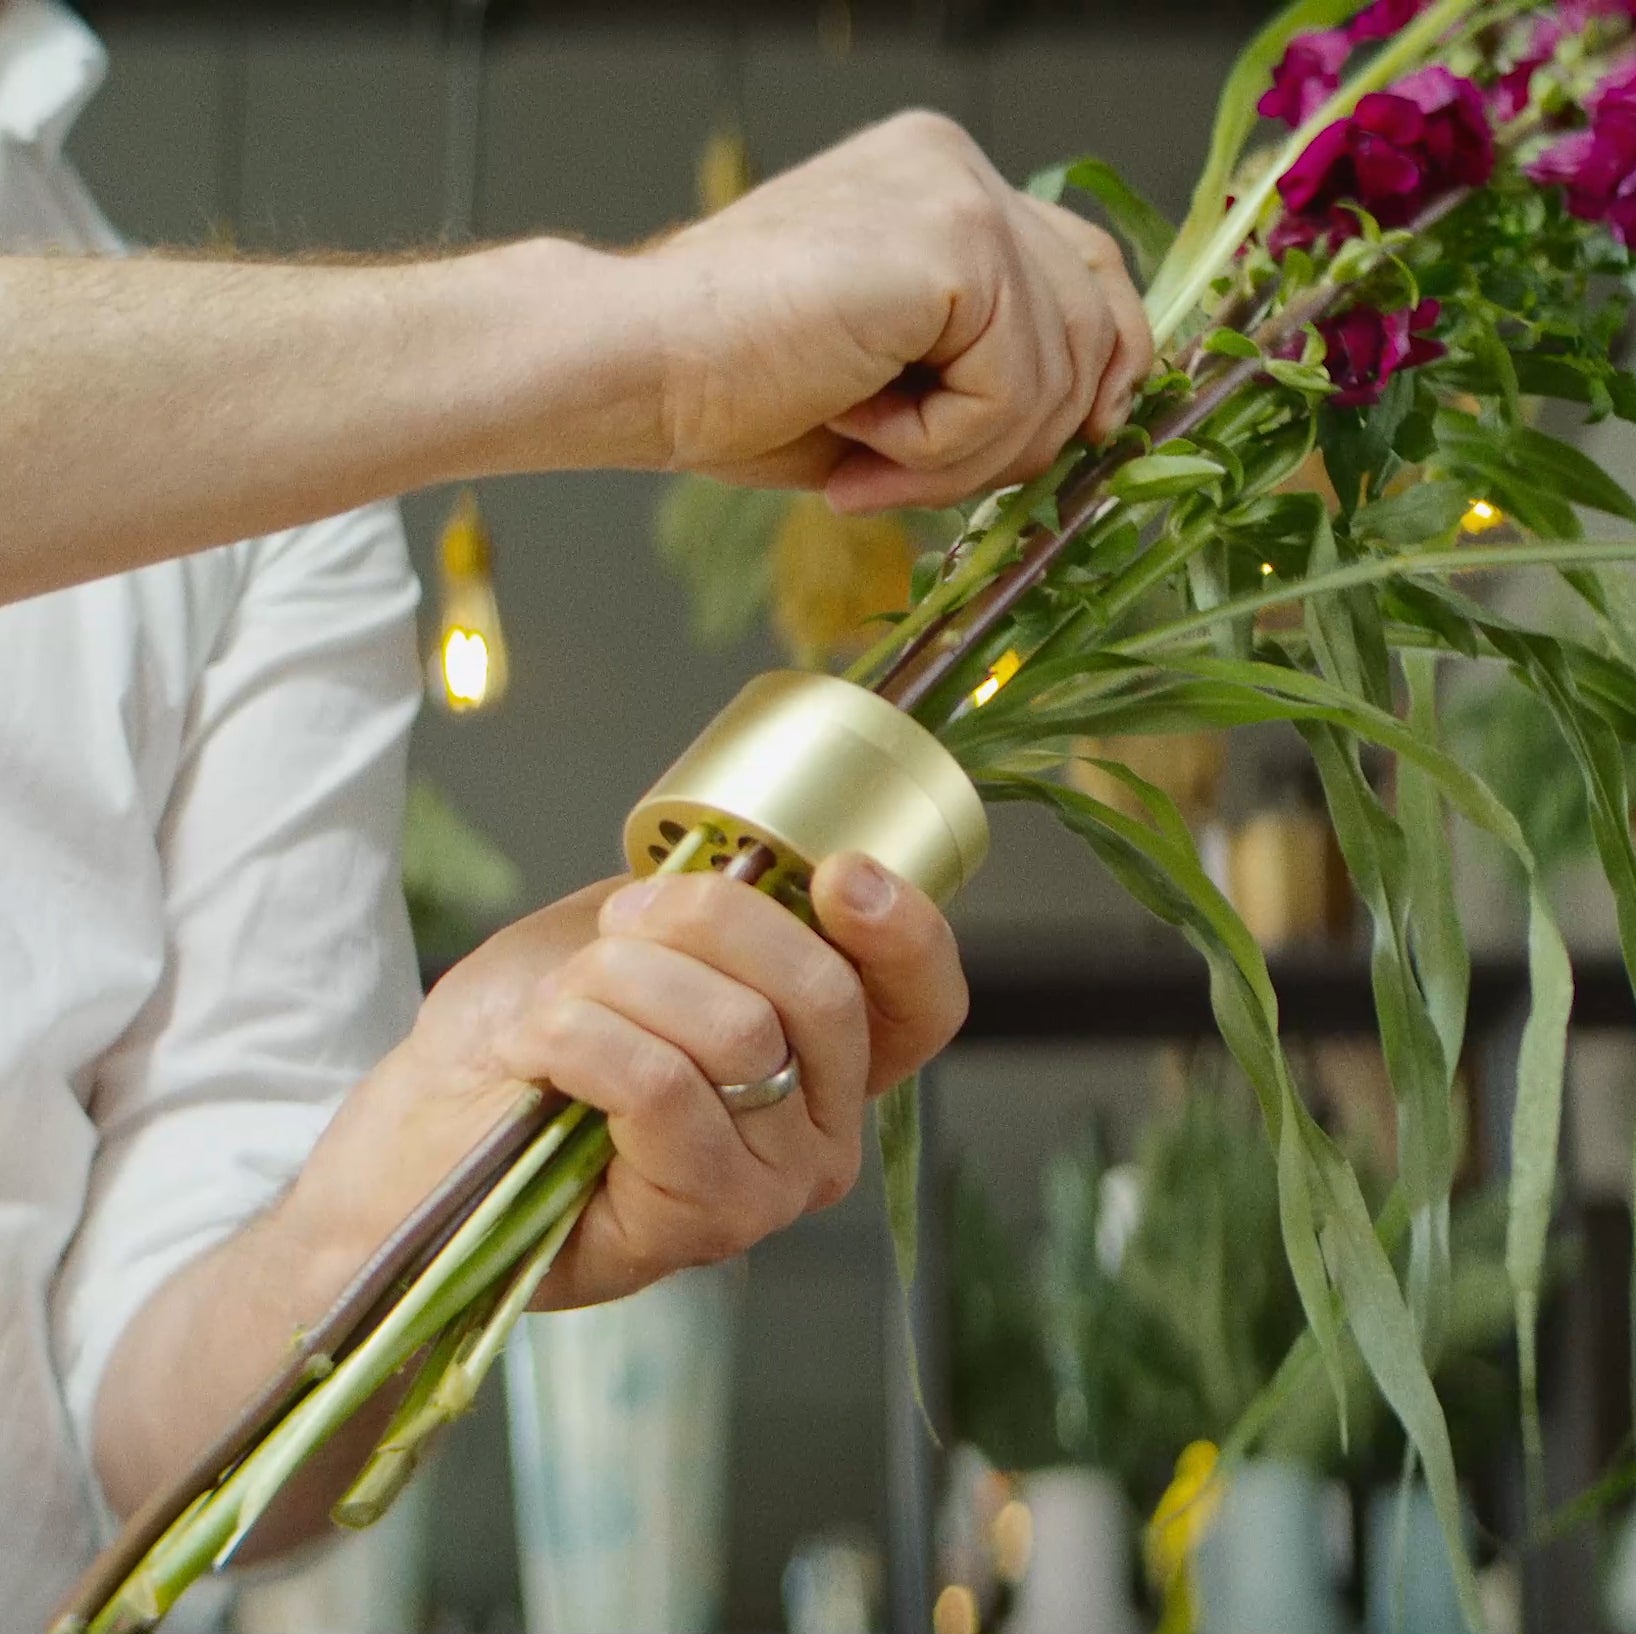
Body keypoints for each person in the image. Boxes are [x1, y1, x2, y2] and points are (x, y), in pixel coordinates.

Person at [0, 0, 1152, 1620]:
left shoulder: (284, 510)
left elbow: (133, 1432)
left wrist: (408, 1193)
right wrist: (650, 334)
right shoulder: (301, 428)